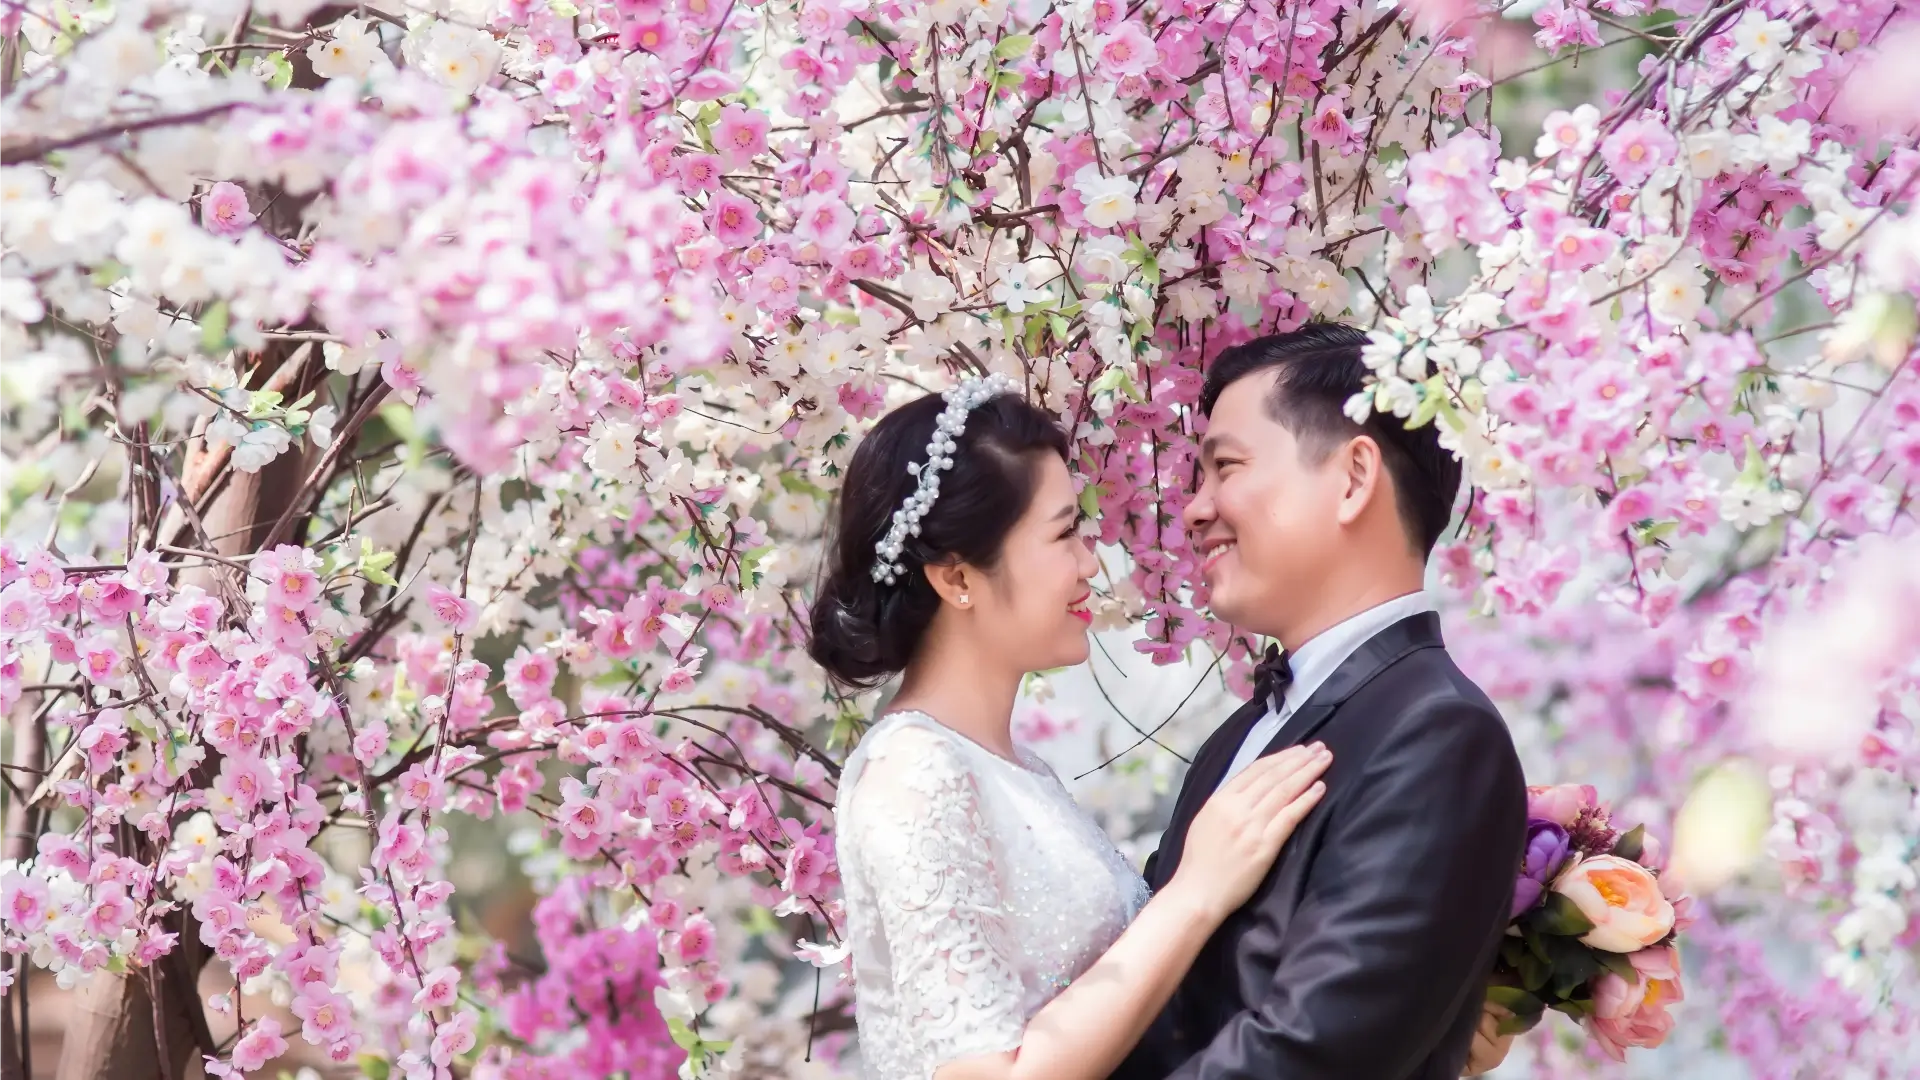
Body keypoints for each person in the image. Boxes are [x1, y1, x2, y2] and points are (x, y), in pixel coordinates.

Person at [810, 366, 1518, 1080]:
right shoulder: (918, 771)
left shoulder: (1428, 728)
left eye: (1227, 467)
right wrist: (1194, 892)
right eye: (1065, 536)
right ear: (958, 579)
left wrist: (1439, 1021)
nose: (1094, 563)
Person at [1113, 322, 1528, 1080]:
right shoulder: (1242, 733)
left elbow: (1311, 1055)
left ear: (1353, 477)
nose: (1196, 510)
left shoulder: (1437, 733)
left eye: (1225, 468)